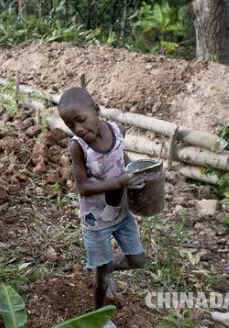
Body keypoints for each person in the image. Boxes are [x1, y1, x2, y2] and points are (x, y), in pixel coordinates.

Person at [58, 87, 145, 327]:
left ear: (96, 110)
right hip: (95, 221)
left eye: (81, 120)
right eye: (70, 125)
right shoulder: (78, 146)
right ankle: (98, 316)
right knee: (101, 274)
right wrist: (119, 182)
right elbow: (83, 187)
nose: (78, 129)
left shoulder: (117, 130)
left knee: (137, 260)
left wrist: (133, 174)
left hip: (121, 212)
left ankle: (108, 270)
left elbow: (121, 158)